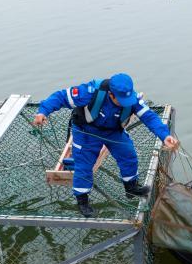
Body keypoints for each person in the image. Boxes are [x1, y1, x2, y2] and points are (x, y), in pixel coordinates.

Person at [33, 73, 179, 217]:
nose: (126, 103)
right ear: (111, 94)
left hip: (113, 131)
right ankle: (82, 201)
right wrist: (42, 112)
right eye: (122, 100)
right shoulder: (90, 92)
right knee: (84, 165)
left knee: (128, 155)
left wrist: (165, 136)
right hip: (86, 131)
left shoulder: (132, 99)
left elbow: (149, 117)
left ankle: (131, 187)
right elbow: (61, 96)